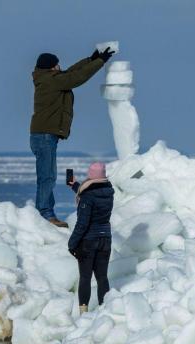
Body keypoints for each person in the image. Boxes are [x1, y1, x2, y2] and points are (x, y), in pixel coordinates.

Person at [30, 47, 115, 228]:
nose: (60, 66)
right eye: (57, 64)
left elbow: (71, 73)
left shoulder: (48, 78)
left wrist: (91, 59)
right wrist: (100, 62)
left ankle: (45, 212)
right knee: (48, 177)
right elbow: (76, 78)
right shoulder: (51, 81)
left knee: (46, 176)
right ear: (51, 67)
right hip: (44, 136)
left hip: (44, 135)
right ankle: (45, 214)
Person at [68, 162, 114, 313]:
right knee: (102, 277)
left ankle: (83, 313)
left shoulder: (87, 196)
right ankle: (105, 310)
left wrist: (72, 243)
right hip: (105, 239)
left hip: (89, 241)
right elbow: (92, 192)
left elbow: (82, 224)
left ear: (91, 175)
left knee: (85, 278)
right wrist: (75, 185)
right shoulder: (108, 191)